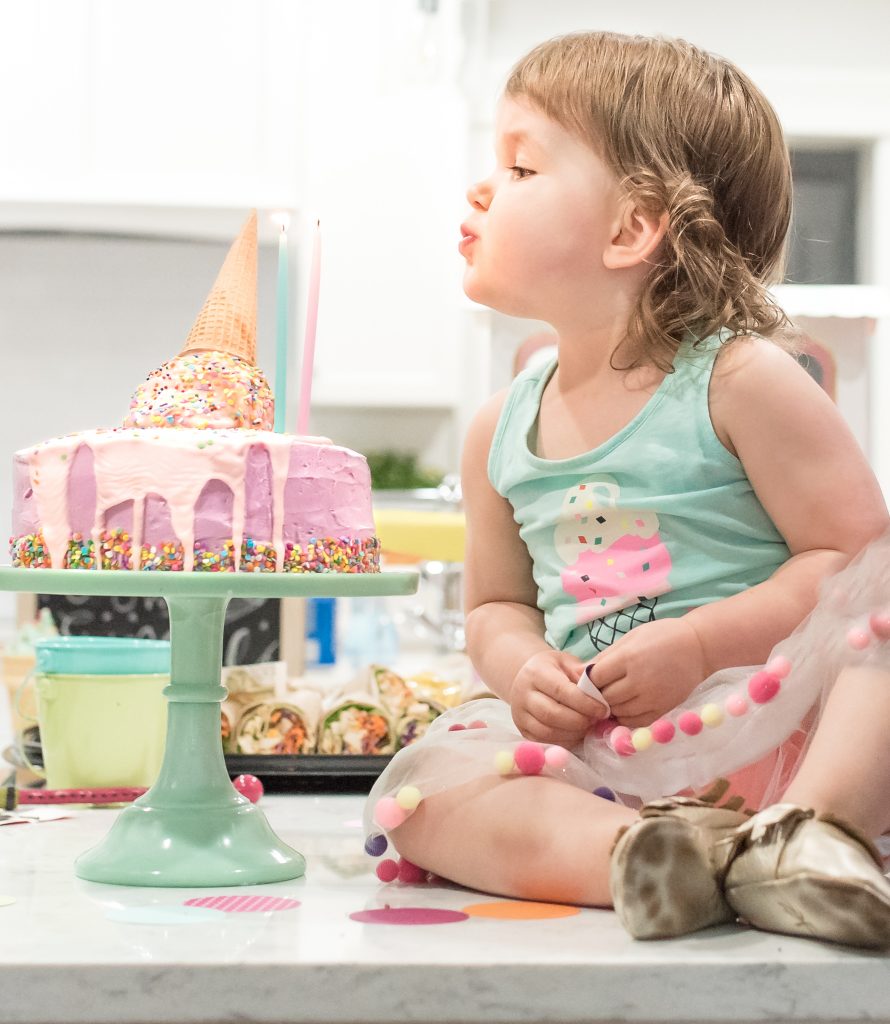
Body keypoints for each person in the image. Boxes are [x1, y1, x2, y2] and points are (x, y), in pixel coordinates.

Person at [364, 31, 890, 949]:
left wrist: (695, 643)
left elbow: (857, 565)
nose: (481, 190)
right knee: (417, 795)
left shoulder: (742, 379)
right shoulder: (500, 429)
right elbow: (495, 606)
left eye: (521, 166)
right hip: (606, 760)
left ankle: (810, 830)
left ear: (630, 228)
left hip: (781, 731)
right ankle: (661, 856)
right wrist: (523, 671)